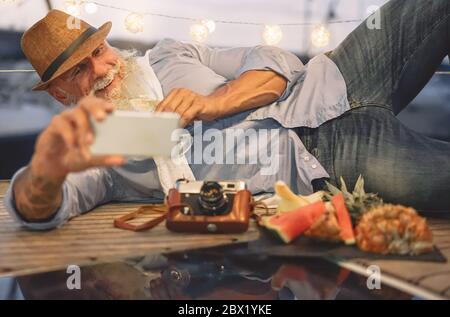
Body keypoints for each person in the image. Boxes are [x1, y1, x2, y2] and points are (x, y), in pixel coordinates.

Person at [4, 0, 450, 230]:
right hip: (336, 164)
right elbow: (39, 208)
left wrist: (215, 102)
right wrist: (44, 172)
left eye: (97, 50)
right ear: (61, 94)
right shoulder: (99, 152)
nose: (101, 69)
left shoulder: (169, 53)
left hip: (336, 77)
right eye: (78, 70)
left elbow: (274, 62)